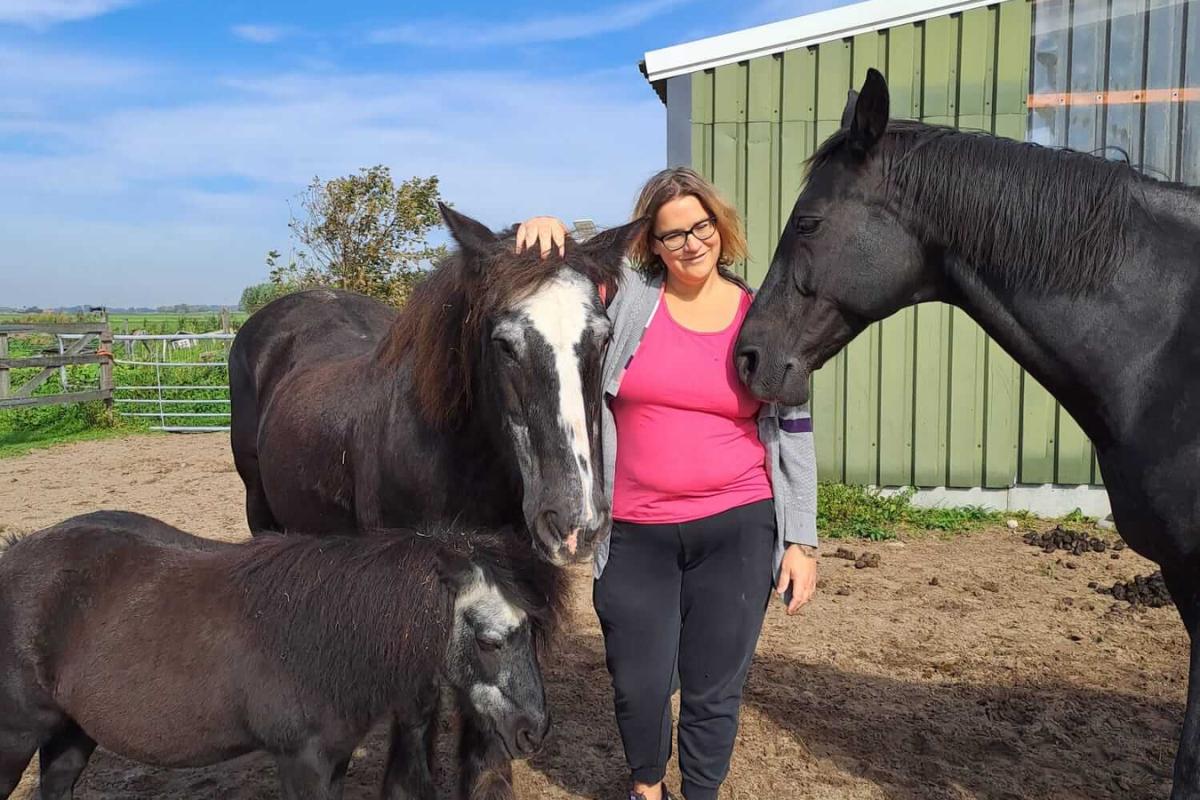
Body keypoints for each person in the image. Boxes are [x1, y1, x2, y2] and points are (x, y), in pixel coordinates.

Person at [515, 167, 818, 800]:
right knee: (640, 679)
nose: (690, 244)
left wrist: (801, 541)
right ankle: (646, 787)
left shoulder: (761, 316)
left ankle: (700, 792)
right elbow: (564, 286)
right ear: (652, 244)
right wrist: (550, 233)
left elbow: (794, 430)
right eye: (672, 234)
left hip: (738, 525)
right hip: (635, 532)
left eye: (700, 226)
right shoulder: (627, 299)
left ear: (719, 226)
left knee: (714, 685)